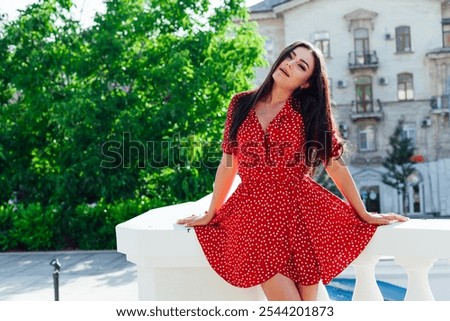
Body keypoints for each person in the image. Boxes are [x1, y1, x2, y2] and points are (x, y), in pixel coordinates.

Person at [177, 40, 408, 301]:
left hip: (300, 214)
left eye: (301, 66)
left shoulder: (308, 112)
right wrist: (212, 212)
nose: (289, 64)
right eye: (290, 56)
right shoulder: (240, 104)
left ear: (306, 82)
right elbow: (228, 162)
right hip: (254, 215)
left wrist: (362, 212)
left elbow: (333, 163)